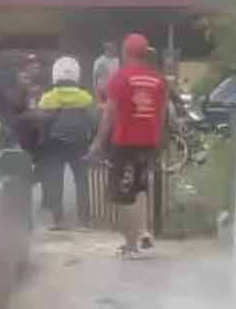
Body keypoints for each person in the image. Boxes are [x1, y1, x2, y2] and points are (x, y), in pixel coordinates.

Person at [88, 32, 167, 257]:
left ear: (126, 52)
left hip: (125, 143)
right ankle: (143, 232)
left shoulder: (120, 78)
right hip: (149, 143)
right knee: (141, 189)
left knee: (124, 195)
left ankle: (131, 245)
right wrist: (158, 141)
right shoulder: (158, 80)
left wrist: (97, 142)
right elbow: (161, 116)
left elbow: (110, 114)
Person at [36, 56, 95, 230]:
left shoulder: (47, 98)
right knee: (82, 181)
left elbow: (41, 124)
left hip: (55, 145)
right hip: (79, 144)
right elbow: (93, 120)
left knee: (56, 180)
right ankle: (84, 220)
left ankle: (57, 220)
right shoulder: (85, 98)